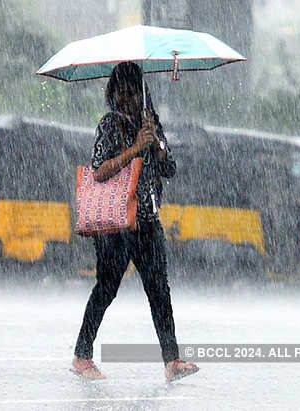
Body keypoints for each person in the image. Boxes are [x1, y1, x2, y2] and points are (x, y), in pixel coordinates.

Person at [72, 62, 199, 382]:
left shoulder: (150, 123)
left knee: (159, 290)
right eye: (122, 93)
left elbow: (169, 169)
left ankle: (172, 361)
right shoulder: (109, 125)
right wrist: (135, 149)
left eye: (133, 92)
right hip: (116, 224)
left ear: (143, 93)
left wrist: (155, 142)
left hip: (147, 220)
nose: (127, 99)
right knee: (106, 288)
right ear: (113, 94)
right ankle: (82, 356)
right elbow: (99, 170)